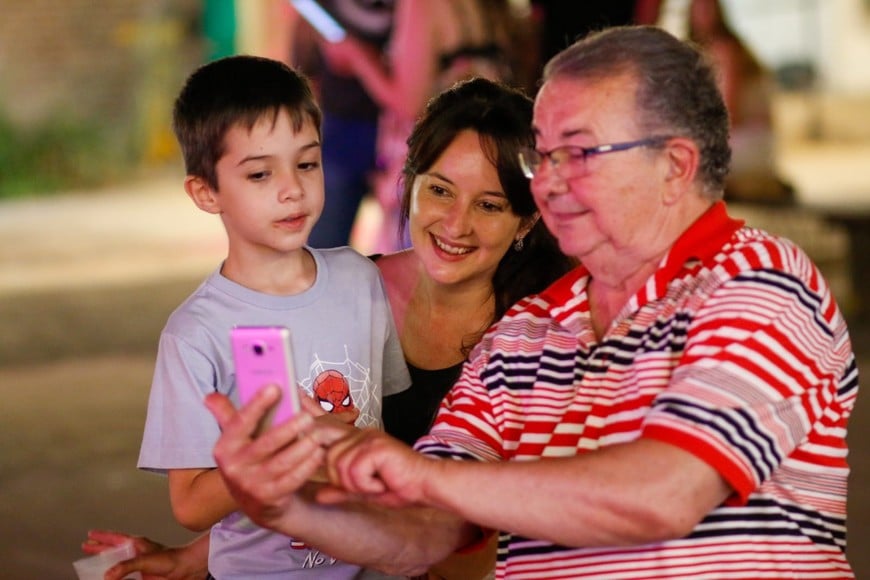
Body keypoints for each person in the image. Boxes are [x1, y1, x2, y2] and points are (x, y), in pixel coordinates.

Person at [203, 26, 857, 579]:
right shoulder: (526, 331)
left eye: (578, 152)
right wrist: (287, 504)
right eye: (543, 157)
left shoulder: (759, 283)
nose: (547, 183)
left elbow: (666, 493)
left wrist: (420, 476)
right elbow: (426, 534)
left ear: (676, 165)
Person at [82, 77, 575, 579]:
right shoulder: (361, 286)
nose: (456, 223)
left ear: (527, 219)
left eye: (489, 205)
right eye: (440, 191)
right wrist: (199, 556)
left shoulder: (542, 337)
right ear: (409, 183)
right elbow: (305, 472)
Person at [133, 54, 410, 579]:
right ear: (206, 192)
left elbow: (382, 420)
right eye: (260, 173)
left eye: (306, 163)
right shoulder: (196, 333)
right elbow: (190, 505)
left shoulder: (359, 278)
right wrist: (271, 457)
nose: (292, 188)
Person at [318, 0, 521, 252]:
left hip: (434, 156)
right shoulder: (486, 7)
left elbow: (409, 102)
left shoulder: (422, 4)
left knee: (413, 267)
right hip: (483, 153)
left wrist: (356, 56)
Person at [266, 0, 396, 249]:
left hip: (403, 134)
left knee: (406, 248)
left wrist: (360, 59)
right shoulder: (320, 9)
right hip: (342, 130)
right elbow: (303, 68)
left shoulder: (415, 8)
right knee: (324, 247)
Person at [687, 0, 792, 204]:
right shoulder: (704, 50)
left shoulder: (724, 50)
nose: (702, 16)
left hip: (744, 141)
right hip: (750, 143)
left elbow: (728, 112)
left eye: (707, 9)